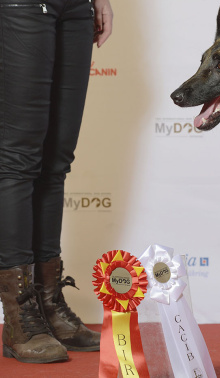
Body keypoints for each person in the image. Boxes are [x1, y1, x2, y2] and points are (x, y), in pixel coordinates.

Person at [0, 0, 113, 363]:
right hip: (20, 6)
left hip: (76, 7)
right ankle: (19, 316)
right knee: (18, 160)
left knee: (56, 160)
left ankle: (49, 305)